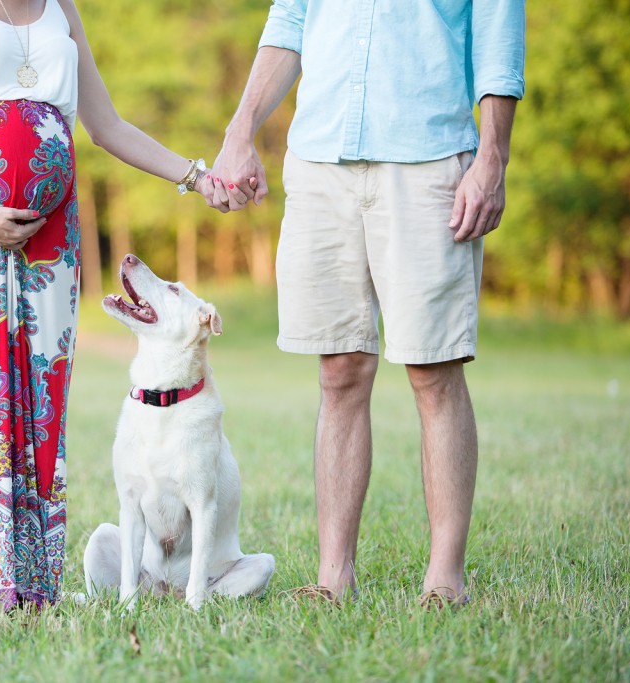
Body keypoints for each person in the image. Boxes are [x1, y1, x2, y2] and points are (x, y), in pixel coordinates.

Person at [0, 0, 212, 612]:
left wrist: (197, 176)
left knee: (41, 400)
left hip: (50, 239)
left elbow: (107, 125)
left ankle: (35, 586)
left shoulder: (61, 5)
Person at [208, 0, 525, 607]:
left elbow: (497, 38)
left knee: (434, 369)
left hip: (429, 159)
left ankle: (445, 578)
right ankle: (333, 579)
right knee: (339, 371)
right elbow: (290, 24)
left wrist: (493, 159)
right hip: (320, 159)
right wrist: (239, 132)